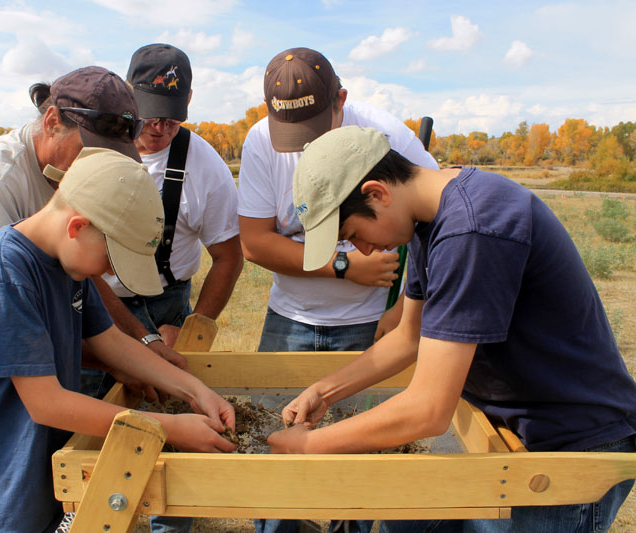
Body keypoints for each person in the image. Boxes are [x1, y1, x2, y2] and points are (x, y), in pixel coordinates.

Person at [268, 125, 636, 532]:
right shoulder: (430, 222)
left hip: (568, 449)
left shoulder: (473, 230)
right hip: (511, 431)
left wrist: (310, 445)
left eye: (354, 235)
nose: (365, 251)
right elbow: (409, 338)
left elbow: (428, 410)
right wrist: (324, 390)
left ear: (377, 193)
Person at [0, 148, 238, 533]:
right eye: (111, 259)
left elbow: (111, 342)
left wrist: (194, 391)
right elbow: (47, 404)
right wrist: (168, 429)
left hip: (35, 482)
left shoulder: (67, 264)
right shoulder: (3, 273)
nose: (110, 272)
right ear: (77, 226)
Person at [237, 47, 438, 533]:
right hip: (292, 318)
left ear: (340, 100)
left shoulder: (388, 136)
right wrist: (345, 265)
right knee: (280, 460)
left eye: (314, 128)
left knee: (367, 464)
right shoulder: (261, 142)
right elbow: (256, 241)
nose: (304, 146)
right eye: (293, 134)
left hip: (373, 324)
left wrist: (404, 311)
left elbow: (431, 221)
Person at [0, 65, 155, 447]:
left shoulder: (69, 180)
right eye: (89, 151)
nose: (94, 168)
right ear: (52, 121)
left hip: (24, 348)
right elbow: (6, 320)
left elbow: (83, 275)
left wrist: (142, 341)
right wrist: (119, 362)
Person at [117, 42, 243, 533]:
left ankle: (171, 523)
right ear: (129, 97)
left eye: (171, 117)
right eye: (149, 115)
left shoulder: (205, 165)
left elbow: (229, 257)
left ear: (187, 103)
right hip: (99, 302)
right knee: (97, 418)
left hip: (166, 302)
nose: (159, 128)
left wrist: (188, 329)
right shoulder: (101, 145)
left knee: (174, 418)